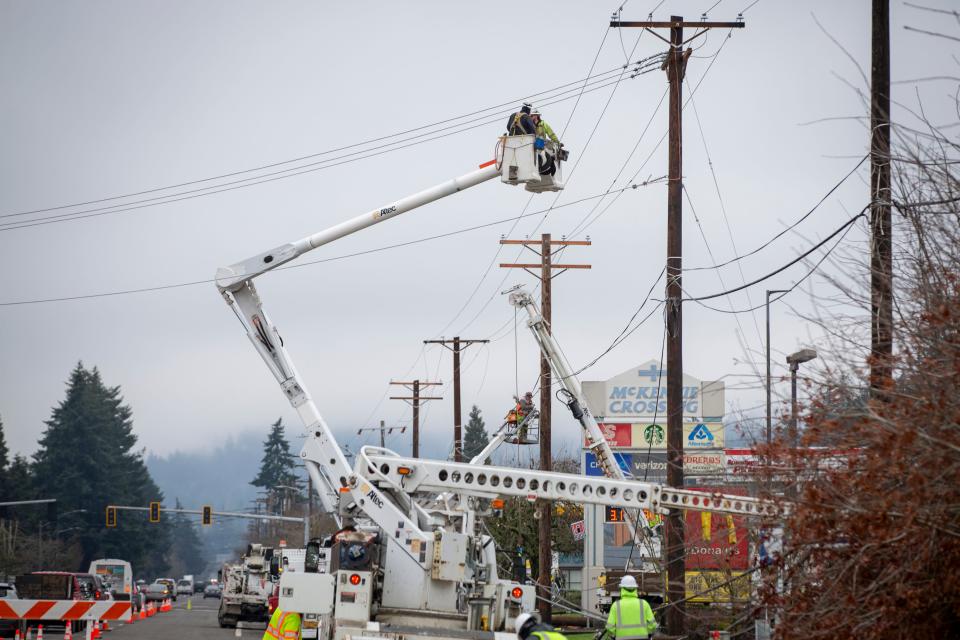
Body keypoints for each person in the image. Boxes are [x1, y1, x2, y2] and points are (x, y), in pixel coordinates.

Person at [605, 575, 657, 640]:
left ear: (622, 588)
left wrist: (614, 636)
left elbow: (610, 627)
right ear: (635, 588)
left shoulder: (616, 605)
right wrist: (648, 634)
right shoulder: (644, 604)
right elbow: (653, 625)